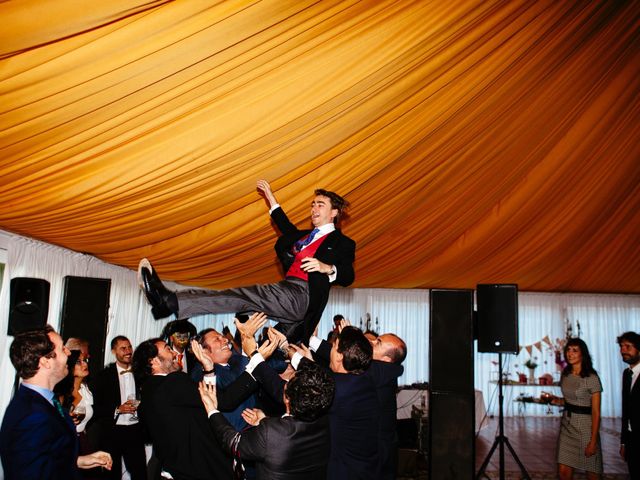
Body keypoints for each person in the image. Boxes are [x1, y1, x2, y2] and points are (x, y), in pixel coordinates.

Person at [138, 179, 356, 343]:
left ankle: (167, 301)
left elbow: (348, 275)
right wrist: (270, 198)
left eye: (320, 204)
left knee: (242, 296)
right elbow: (285, 226)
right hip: (287, 292)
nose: (313, 208)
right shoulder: (304, 237)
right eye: (312, 204)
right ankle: (167, 304)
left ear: (334, 212)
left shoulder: (342, 242)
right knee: (270, 340)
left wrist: (327, 267)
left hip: (303, 294)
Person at [132, 337, 261, 480]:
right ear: (154, 361)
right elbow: (225, 401)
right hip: (205, 470)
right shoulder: (173, 382)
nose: (175, 354)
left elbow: (204, 402)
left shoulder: (147, 396)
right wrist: (256, 366)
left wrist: (208, 369)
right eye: (168, 349)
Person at [0, 326, 112, 479]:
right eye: (62, 349)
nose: (68, 352)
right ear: (46, 361)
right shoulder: (32, 416)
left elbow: (46, 458)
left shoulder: (43, 400)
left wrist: (79, 461)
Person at [199, 360, 335, 480]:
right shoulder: (324, 421)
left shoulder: (270, 432)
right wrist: (264, 420)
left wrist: (212, 410)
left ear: (286, 398)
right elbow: (292, 433)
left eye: (287, 382)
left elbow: (233, 443)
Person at [310, 324, 406, 479]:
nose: (372, 342)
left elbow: (340, 356)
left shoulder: (381, 371)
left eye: (378, 342)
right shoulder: (383, 370)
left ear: (386, 359)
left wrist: (313, 340)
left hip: (378, 456)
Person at [89, 336, 147, 480]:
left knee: (140, 472)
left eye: (129, 347)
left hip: (135, 430)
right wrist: (117, 409)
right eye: (123, 348)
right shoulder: (103, 376)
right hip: (113, 431)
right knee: (111, 473)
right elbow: (96, 407)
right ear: (114, 351)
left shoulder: (141, 374)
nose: (128, 351)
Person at [549, 338, 603, 480]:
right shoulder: (566, 374)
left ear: (582, 354)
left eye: (574, 350)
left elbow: (596, 412)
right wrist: (554, 400)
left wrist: (593, 442)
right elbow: (569, 401)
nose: (570, 354)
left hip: (585, 429)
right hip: (567, 427)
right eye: (568, 350)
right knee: (563, 472)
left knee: (592, 473)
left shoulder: (592, 377)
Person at [54, 349, 100, 478]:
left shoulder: (86, 389)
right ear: (69, 366)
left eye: (85, 361)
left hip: (83, 441)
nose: (85, 364)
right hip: (67, 442)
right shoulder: (62, 393)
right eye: (79, 362)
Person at [617, 331, 640, 478]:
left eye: (628, 346)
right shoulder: (627, 374)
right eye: (621, 346)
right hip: (632, 440)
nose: (623, 350)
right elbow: (626, 410)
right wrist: (624, 443)